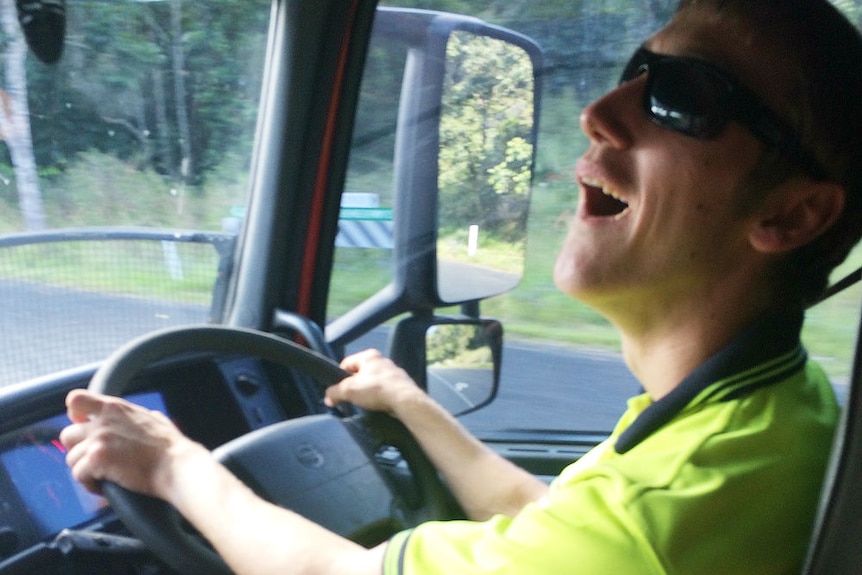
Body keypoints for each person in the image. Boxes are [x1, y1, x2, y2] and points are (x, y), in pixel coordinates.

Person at [59, 0, 862, 573]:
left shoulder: (657, 521)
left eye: (678, 98)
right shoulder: (770, 416)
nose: (599, 112)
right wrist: (413, 406)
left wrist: (171, 463)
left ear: (792, 216)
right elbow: (546, 522)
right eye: (633, 72)